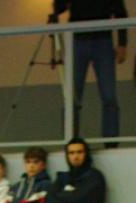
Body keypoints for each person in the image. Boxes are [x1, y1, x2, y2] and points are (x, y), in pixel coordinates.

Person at [51, 0, 128, 143]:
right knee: (72, 96)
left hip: (102, 39)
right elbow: (58, 7)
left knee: (109, 95)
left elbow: (120, 12)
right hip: (78, 39)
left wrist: (123, 43)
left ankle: (110, 142)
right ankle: (70, 141)